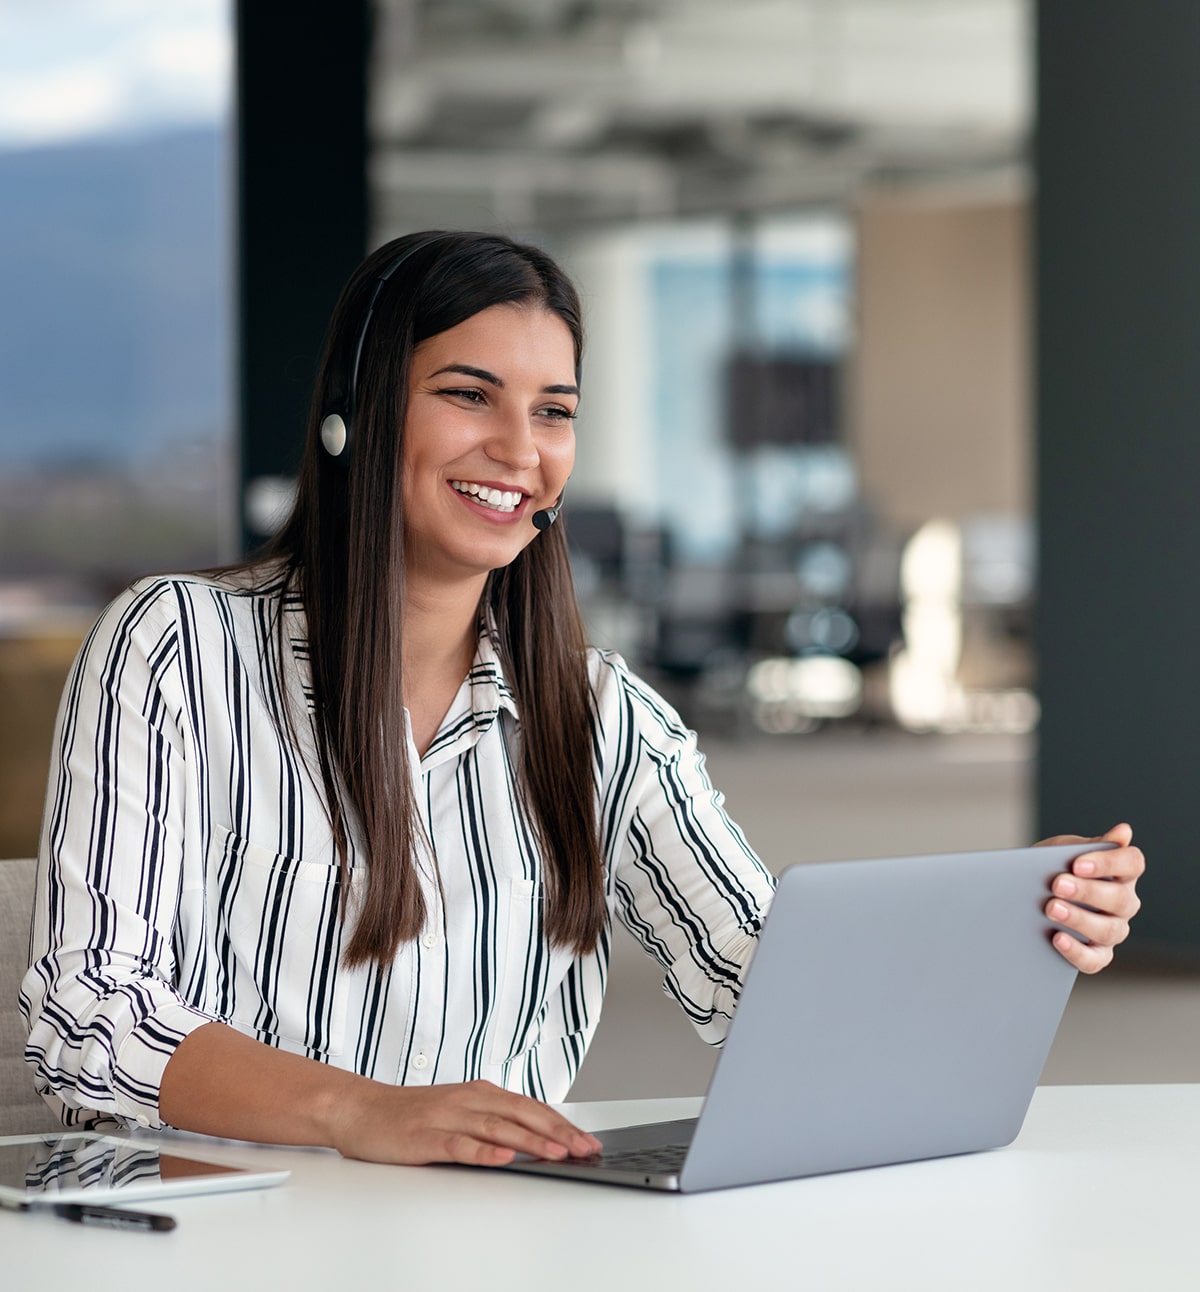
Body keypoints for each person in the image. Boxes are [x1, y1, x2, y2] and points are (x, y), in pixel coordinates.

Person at [21, 231, 1144, 1169]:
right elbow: (88, 1016)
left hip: (483, 1234)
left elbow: (765, 985)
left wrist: (1008, 917)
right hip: (207, 1229)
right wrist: (365, 1110)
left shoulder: (604, 716)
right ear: (356, 411)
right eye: (470, 395)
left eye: (554, 411)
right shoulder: (176, 645)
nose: (520, 449)